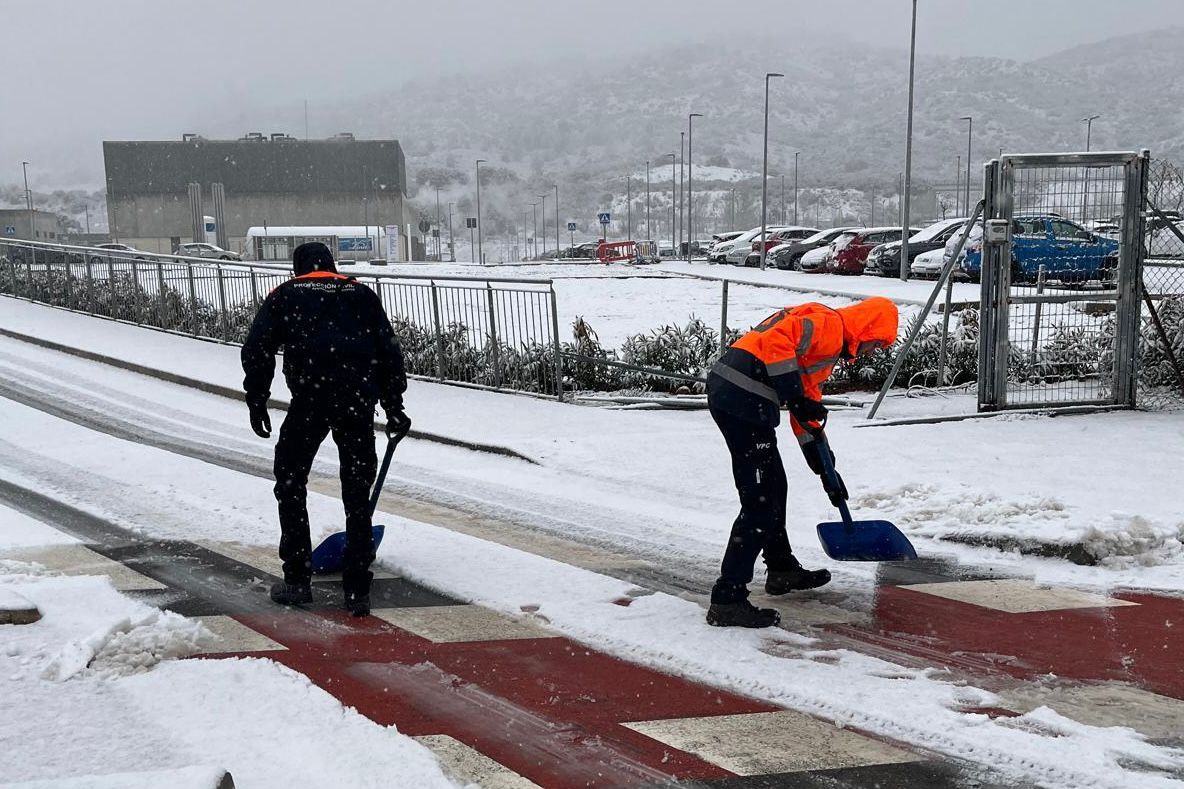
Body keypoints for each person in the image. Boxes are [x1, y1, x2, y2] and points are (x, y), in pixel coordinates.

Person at [704, 296, 899, 628]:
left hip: (741, 395)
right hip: (740, 396)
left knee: (774, 488)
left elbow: (807, 413)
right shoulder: (829, 326)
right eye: (878, 343)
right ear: (868, 328)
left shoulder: (829, 347)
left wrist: (825, 468)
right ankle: (728, 599)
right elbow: (775, 341)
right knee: (760, 502)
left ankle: (782, 569)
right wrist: (793, 396)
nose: (873, 351)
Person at [241, 241, 409, 617]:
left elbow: (257, 348)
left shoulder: (286, 294)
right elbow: (388, 352)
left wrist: (257, 398)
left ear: (297, 267)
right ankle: (357, 591)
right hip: (356, 403)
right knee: (356, 492)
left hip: (310, 403)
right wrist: (394, 406)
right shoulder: (360, 294)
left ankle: (297, 580)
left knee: (290, 483)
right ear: (332, 264)